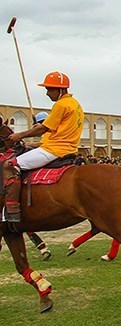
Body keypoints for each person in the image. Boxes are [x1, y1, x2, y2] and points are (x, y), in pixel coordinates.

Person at [2, 71, 84, 225]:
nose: (47, 93)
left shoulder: (61, 105)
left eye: (50, 89)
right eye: (47, 89)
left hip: (55, 150)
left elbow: (43, 129)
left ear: (61, 90)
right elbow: (53, 129)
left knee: (10, 165)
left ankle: (11, 210)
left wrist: (20, 135)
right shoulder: (75, 104)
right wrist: (30, 143)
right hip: (64, 148)